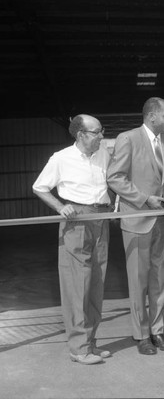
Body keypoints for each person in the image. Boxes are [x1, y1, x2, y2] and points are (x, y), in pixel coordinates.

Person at [107, 97, 164, 355]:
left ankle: (158, 331)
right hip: (137, 221)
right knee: (138, 281)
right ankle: (141, 335)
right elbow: (114, 177)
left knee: (160, 280)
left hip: (162, 221)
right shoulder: (128, 139)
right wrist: (143, 199)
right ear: (152, 116)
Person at [33, 114, 112, 365]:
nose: (101, 135)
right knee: (77, 284)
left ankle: (91, 342)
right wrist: (59, 207)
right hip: (77, 218)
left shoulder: (102, 154)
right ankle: (78, 348)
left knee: (97, 282)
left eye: (101, 131)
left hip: (101, 216)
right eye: (96, 131)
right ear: (81, 135)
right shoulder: (61, 158)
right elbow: (40, 186)